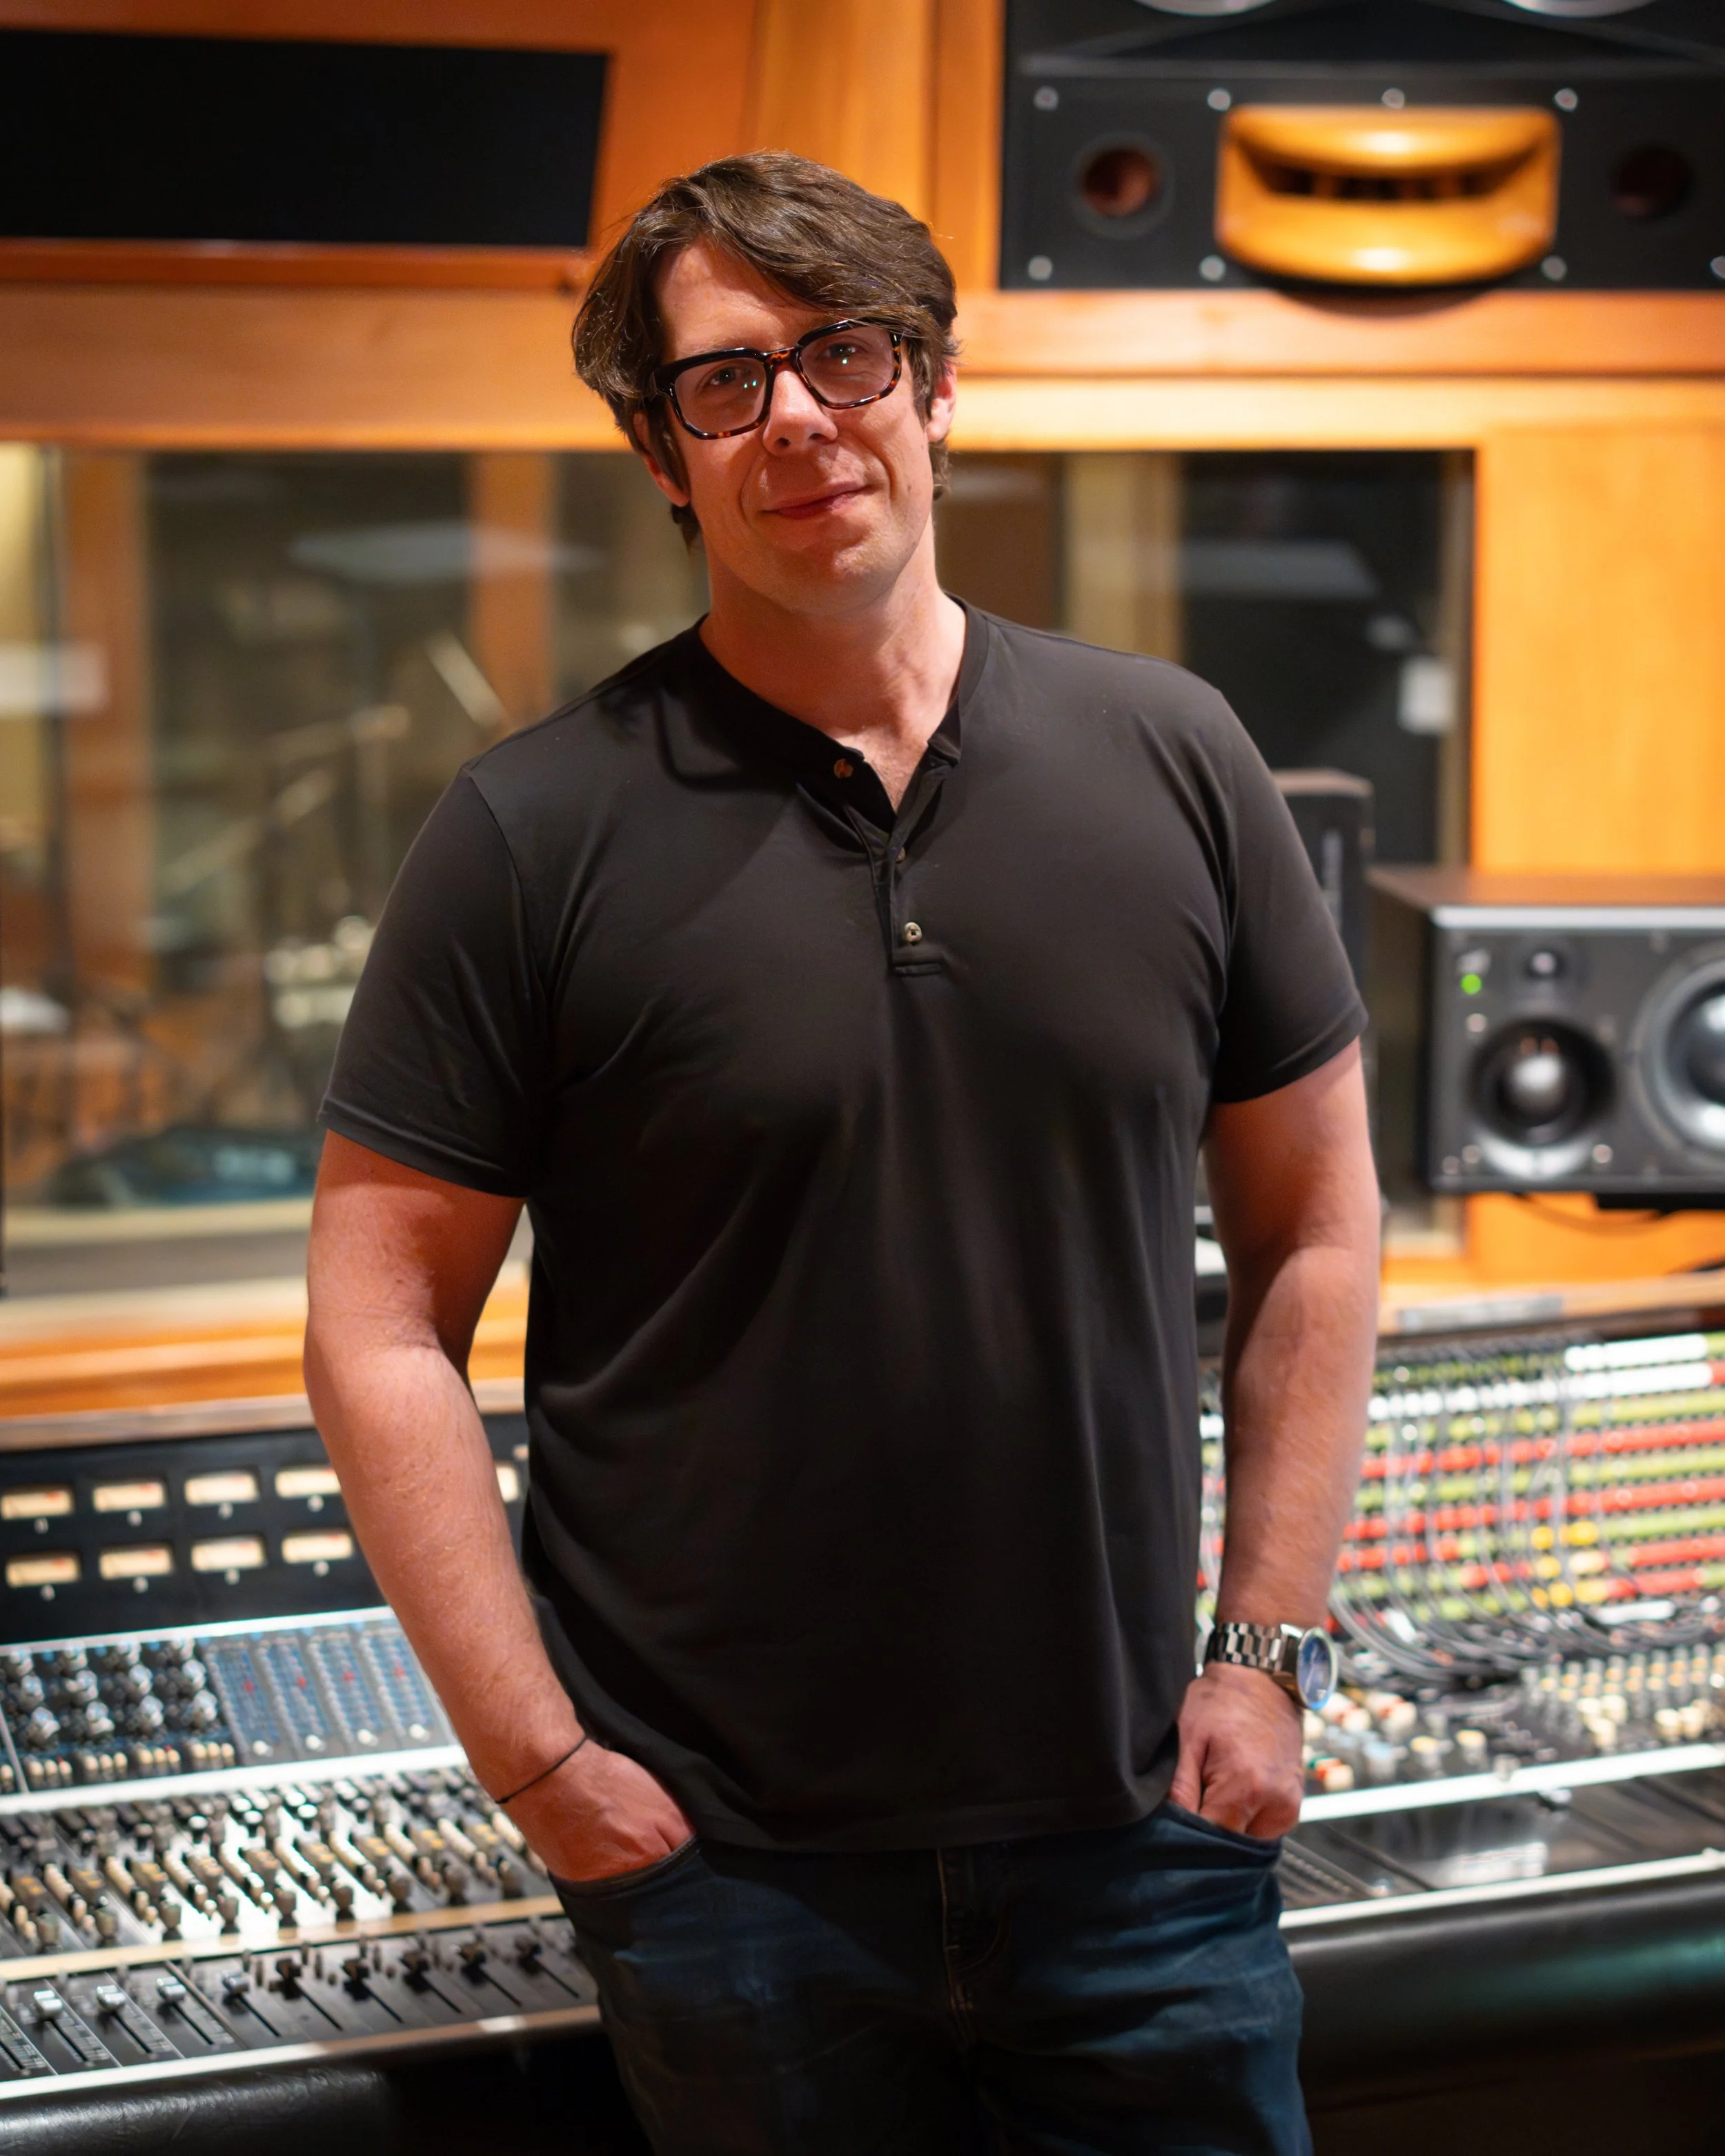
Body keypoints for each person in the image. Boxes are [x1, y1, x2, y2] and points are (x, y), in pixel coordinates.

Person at [304, 152, 1380, 2155]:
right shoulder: (525, 834)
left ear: (935, 385)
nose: (796, 419)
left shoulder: (1178, 756)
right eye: (726, 383)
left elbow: (1317, 1222)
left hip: (1145, 1829)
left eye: (843, 355)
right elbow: (376, 1328)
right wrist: (539, 1761)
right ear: (660, 451)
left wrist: (1264, 1655)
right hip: (732, 1879)